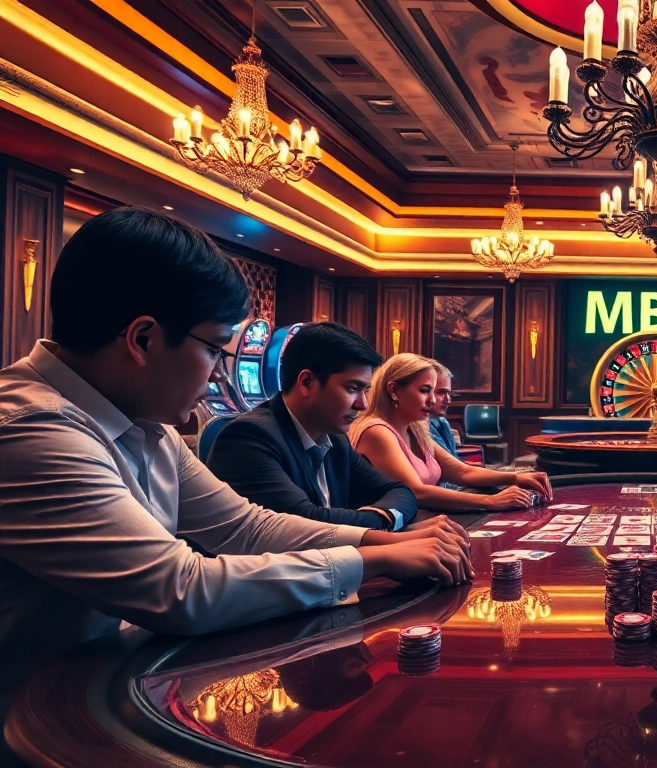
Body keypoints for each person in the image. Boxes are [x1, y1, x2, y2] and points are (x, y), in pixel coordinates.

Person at [0, 208, 473, 719]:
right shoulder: (32, 429)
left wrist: (389, 542)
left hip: (93, 685)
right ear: (143, 339)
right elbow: (180, 589)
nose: (216, 377)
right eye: (215, 351)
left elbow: (245, 526)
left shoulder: (145, 423)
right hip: (29, 715)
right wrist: (372, 560)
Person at [208, 322, 453, 534]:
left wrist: (381, 519)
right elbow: (306, 524)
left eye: (365, 390)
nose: (362, 404)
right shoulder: (249, 438)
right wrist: (384, 522)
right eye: (352, 389)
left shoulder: (335, 439)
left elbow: (400, 491)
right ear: (306, 382)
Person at [350, 353, 552, 511]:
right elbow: (415, 493)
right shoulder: (376, 431)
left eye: (433, 391)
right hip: (387, 532)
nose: (432, 400)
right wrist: (491, 501)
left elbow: (461, 471)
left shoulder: (415, 428)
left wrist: (516, 477)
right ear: (394, 390)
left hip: (419, 519)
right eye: (424, 390)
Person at [427, 361, 461, 459]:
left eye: (449, 394)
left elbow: (454, 460)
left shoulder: (442, 422)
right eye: (441, 392)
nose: (448, 400)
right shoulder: (422, 426)